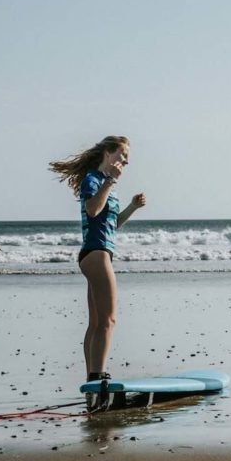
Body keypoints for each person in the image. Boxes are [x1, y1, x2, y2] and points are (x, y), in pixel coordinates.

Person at [48, 136, 146, 407]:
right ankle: (97, 381)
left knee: (96, 322)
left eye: (127, 158)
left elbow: (111, 226)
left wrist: (132, 208)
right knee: (109, 321)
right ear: (107, 152)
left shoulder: (103, 184)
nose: (125, 161)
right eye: (122, 154)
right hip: (96, 254)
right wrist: (110, 181)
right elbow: (92, 210)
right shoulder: (94, 180)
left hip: (97, 252)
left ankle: (92, 383)